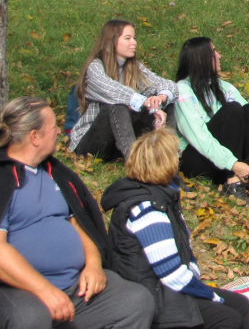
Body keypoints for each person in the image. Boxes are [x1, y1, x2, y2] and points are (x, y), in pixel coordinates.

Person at [0, 96, 154, 329]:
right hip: (21, 289)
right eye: (53, 127)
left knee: (135, 301)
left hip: (75, 287)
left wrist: (93, 265)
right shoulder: (3, 179)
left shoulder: (56, 174)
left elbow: (80, 226)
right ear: (35, 137)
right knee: (30, 319)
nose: (60, 132)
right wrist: (44, 290)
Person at [101, 128, 249, 329]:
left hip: (165, 288)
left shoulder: (162, 195)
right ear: (164, 163)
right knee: (226, 319)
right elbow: (170, 274)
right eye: (175, 154)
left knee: (241, 305)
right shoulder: (148, 210)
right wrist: (210, 295)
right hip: (154, 296)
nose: (179, 157)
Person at [174, 37, 249, 206]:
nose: (219, 56)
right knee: (232, 110)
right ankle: (233, 182)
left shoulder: (224, 87)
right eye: (213, 52)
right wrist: (233, 164)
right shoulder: (182, 91)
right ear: (200, 59)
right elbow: (199, 137)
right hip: (197, 158)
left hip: (226, 158)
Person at [70, 19, 178, 159]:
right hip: (90, 144)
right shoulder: (95, 67)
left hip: (118, 143)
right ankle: (134, 161)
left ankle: (169, 158)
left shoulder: (134, 67)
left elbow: (167, 85)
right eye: (128, 38)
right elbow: (114, 91)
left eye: (134, 38)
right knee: (117, 105)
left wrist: (160, 98)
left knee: (166, 101)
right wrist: (146, 102)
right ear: (112, 41)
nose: (134, 42)